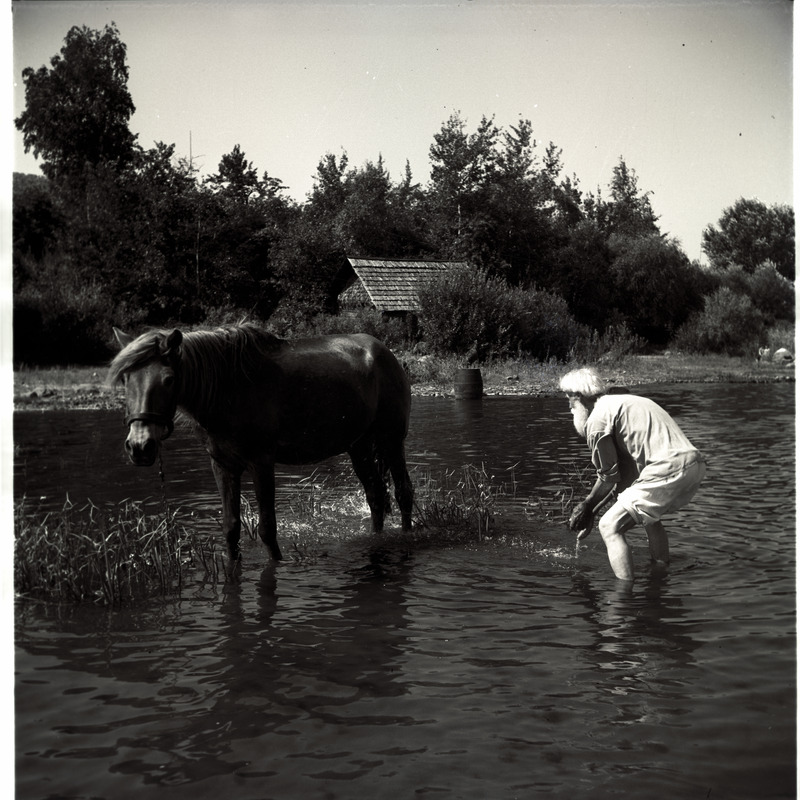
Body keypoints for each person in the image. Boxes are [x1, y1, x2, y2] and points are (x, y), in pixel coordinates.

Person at [560, 367, 706, 581]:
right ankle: (660, 574)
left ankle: (623, 593)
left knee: (609, 527)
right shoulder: (627, 402)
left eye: (569, 401)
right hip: (695, 465)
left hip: (667, 468)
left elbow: (608, 477)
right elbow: (625, 481)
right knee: (650, 519)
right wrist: (593, 510)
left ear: (579, 396)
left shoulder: (597, 420)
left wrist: (588, 506)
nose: (569, 407)